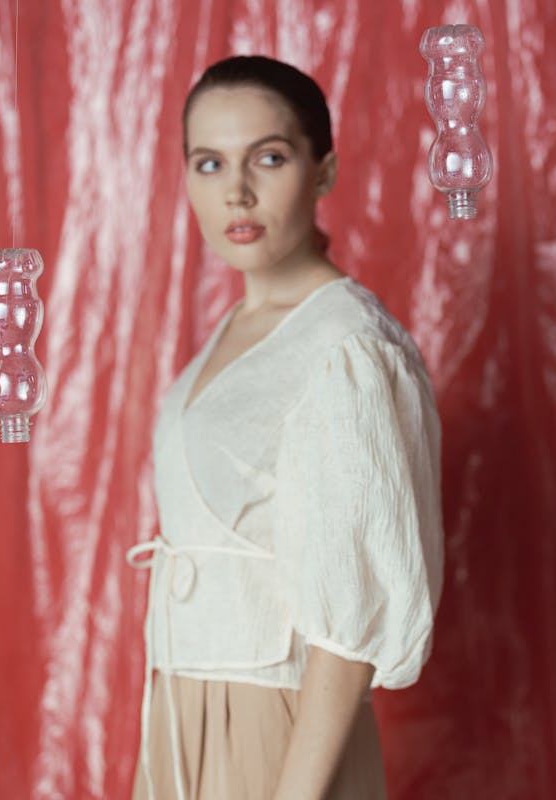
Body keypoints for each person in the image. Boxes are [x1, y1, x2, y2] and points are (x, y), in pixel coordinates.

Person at [126, 55, 443, 800]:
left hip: (284, 738)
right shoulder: (243, 325)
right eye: (209, 163)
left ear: (324, 171)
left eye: (269, 157)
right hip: (180, 718)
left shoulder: (344, 347)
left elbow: (349, 619)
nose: (236, 191)